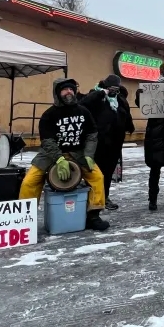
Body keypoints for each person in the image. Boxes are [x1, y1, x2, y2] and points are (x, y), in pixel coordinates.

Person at [18, 77, 109, 231]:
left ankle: (93, 215)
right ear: (57, 93)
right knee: (29, 182)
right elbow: (47, 141)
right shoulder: (49, 115)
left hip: (78, 153)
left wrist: (88, 154)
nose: (69, 92)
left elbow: (92, 134)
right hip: (50, 154)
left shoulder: (83, 111)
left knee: (97, 177)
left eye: (71, 89)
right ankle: (24, 218)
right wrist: (59, 158)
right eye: (65, 89)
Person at [80, 74, 134, 210]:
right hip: (98, 142)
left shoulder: (119, 99)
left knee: (108, 172)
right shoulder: (96, 96)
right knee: (94, 171)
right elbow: (83, 104)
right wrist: (101, 94)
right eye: (111, 88)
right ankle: (91, 197)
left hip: (115, 142)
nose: (113, 91)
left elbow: (126, 113)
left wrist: (129, 125)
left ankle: (105, 196)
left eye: (116, 88)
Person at [137, 60, 164, 211]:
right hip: (156, 133)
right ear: (161, 70)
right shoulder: (153, 86)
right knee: (155, 168)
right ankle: (153, 199)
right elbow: (141, 103)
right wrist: (140, 94)